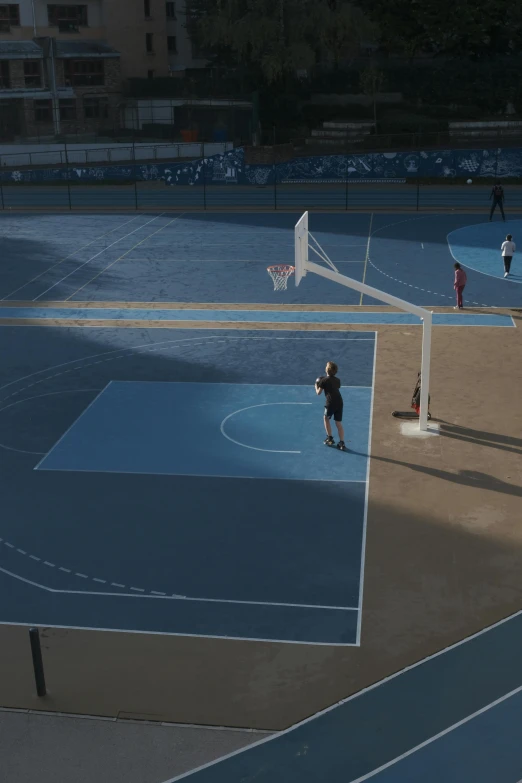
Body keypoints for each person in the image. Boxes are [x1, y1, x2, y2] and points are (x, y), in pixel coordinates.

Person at [315, 361, 347, 451]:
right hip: (339, 402)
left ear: (327, 369)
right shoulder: (338, 380)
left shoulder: (323, 380)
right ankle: (342, 442)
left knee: (326, 418)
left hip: (330, 403)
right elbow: (335, 387)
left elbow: (318, 393)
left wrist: (316, 385)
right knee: (338, 423)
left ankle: (330, 438)